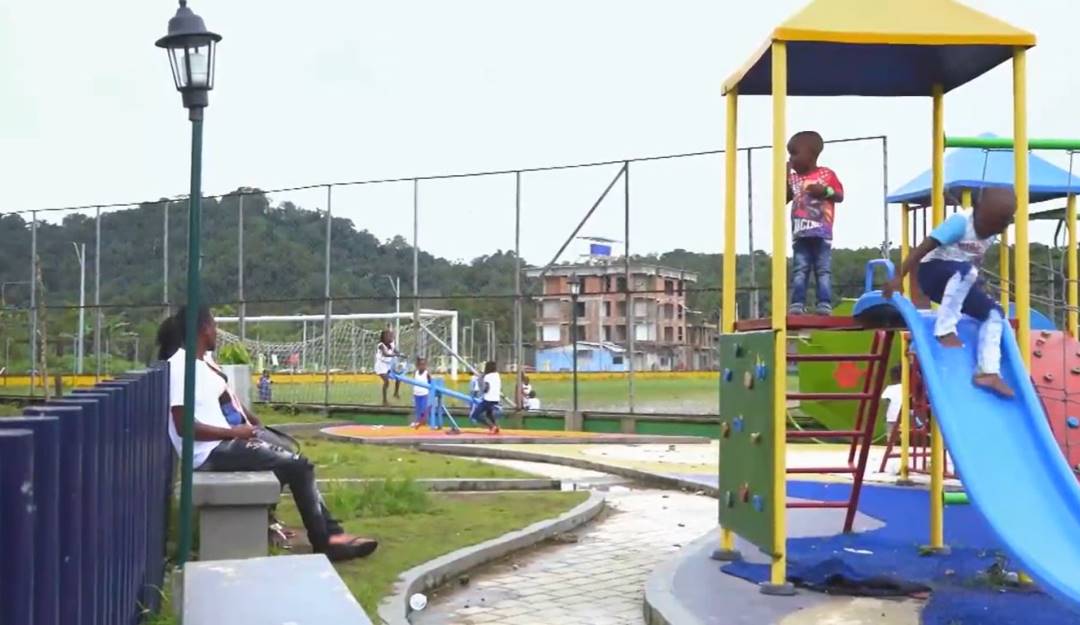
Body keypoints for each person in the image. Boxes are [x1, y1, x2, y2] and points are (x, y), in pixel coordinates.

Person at [157, 307, 377, 561]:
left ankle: (299, 528)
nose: (217, 332)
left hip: (224, 444)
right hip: (210, 454)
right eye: (215, 326)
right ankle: (327, 540)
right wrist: (234, 433)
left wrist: (249, 424)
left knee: (292, 459)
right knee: (298, 466)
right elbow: (185, 426)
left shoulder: (200, 363)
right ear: (204, 328)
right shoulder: (182, 368)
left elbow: (224, 403)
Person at [883, 188, 1017, 397]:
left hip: (960, 280)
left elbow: (973, 260)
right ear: (977, 209)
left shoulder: (991, 234)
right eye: (988, 224)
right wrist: (900, 275)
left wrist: (977, 286)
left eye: (998, 227)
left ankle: (988, 371)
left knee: (995, 313)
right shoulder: (960, 222)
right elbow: (923, 247)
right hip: (932, 273)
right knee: (966, 271)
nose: (990, 230)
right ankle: (944, 329)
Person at [786, 130, 845, 315]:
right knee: (800, 269)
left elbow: (839, 195)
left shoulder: (826, 174)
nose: (791, 158)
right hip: (800, 233)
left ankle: (824, 303)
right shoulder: (794, 178)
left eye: (795, 154)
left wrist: (824, 191)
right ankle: (797, 304)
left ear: (811, 155)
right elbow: (784, 197)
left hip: (821, 232)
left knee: (822, 270)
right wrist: (785, 175)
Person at [374, 329, 401, 406]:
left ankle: (396, 393)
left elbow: (396, 351)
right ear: (384, 337)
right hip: (381, 366)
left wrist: (400, 354)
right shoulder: (381, 345)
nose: (391, 337)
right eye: (389, 336)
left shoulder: (391, 344)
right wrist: (395, 355)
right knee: (386, 382)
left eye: (392, 336)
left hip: (388, 365)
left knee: (398, 377)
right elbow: (385, 354)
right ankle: (384, 401)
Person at [478, 360, 501, 434]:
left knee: (476, 414)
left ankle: (492, 427)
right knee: (489, 414)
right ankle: (496, 426)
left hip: (488, 399)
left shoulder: (487, 376)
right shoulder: (497, 375)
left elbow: (485, 389)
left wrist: (480, 379)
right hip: (496, 399)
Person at [410, 357, 433, 429]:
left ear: (425, 365)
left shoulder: (427, 373)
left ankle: (423, 423)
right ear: (418, 365)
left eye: (423, 365)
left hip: (424, 394)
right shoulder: (416, 372)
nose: (422, 366)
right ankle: (418, 422)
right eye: (420, 364)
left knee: (423, 410)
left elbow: (430, 382)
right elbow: (414, 381)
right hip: (416, 394)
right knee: (418, 410)